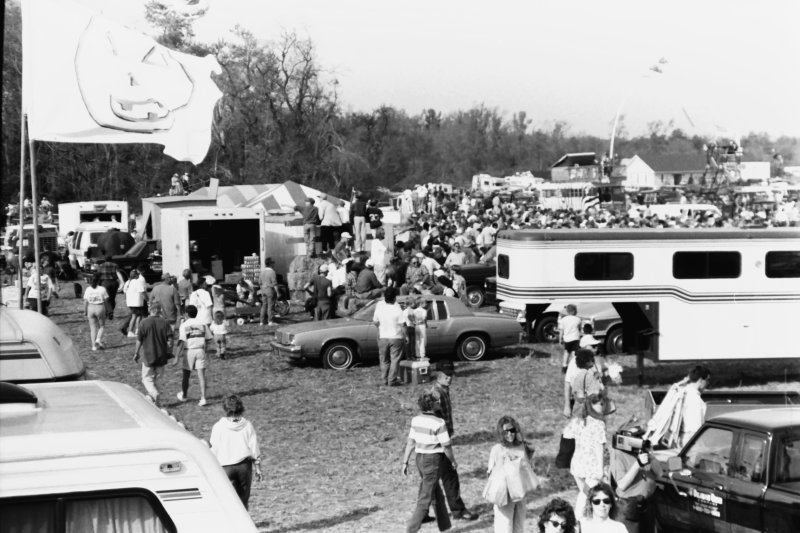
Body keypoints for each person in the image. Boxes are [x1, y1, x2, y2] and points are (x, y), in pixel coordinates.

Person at [431, 361, 479, 521]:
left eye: (451, 375)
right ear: (438, 376)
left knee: (432, 478)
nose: (450, 378)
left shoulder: (443, 390)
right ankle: (458, 510)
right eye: (446, 376)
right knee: (449, 476)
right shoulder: (436, 394)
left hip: (437, 441)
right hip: (438, 441)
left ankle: (423, 512)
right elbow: (435, 421)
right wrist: (445, 444)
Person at [401, 391, 455, 533]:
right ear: (432, 405)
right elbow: (446, 446)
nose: (439, 403)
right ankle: (411, 530)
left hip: (420, 459)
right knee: (425, 497)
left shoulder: (416, 420)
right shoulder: (439, 422)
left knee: (436, 492)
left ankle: (445, 526)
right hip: (433, 460)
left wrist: (405, 462)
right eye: (437, 402)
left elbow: (411, 442)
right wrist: (453, 461)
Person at [564, 349, 606, 518]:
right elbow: (597, 395)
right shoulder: (591, 375)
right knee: (588, 493)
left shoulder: (576, 376)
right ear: (589, 361)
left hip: (579, 416)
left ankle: (584, 516)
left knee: (585, 491)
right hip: (590, 416)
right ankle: (580, 518)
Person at [209, 394, 263, 509]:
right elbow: (254, 448)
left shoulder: (218, 427)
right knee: (244, 498)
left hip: (226, 467)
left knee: (230, 499)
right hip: (244, 466)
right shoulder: (247, 425)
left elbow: (214, 449)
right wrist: (258, 469)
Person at [488, 416, 535, 533]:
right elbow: (490, 475)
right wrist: (502, 461)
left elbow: (529, 465)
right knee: (504, 527)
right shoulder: (497, 449)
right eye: (506, 431)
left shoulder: (521, 447)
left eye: (512, 430)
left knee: (519, 526)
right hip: (505, 495)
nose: (510, 434)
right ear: (501, 433)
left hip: (520, 493)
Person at [133, 301, 175, 405]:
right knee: (156, 378)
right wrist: (169, 351)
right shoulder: (165, 323)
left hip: (148, 356)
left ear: (150, 310)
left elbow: (139, 340)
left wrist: (136, 353)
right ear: (159, 310)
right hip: (161, 355)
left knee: (146, 378)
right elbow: (170, 340)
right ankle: (155, 401)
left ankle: (154, 393)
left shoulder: (143, 322)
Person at [610, 441, 656, 533]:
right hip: (630, 506)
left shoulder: (642, 450)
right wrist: (637, 464)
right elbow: (622, 485)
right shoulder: (618, 453)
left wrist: (652, 458)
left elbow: (660, 473)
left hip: (647, 504)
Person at [176, 304, 212, 406]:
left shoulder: (184, 325)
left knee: (186, 375)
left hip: (189, 351)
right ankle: (203, 398)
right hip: (200, 350)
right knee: (201, 376)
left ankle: (184, 395)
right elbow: (209, 338)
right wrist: (206, 350)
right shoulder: (202, 324)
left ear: (186, 314)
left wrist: (176, 356)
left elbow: (181, 341)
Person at [372, 286, 406, 386]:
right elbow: (402, 325)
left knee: (384, 360)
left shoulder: (379, 306)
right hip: (396, 337)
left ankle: (384, 379)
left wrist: (380, 328)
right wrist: (406, 336)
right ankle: (392, 380)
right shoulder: (398, 309)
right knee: (394, 360)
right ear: (395, 297)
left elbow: (375, 321)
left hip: (383, 336)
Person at [680, 365, 711, 446]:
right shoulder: (695, 400)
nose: (708, 383)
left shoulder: (684, 391)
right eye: (707, 380)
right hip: (690, 441)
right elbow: (696, 430)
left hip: (682, 438)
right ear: (701, 380)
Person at [83, 272, 109, 351]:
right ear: (98, 281)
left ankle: (93, 346)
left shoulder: (88, 289)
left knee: (92, 328)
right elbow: (106, 300)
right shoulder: (102, 289)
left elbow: (85, 301)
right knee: (102, 326)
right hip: (99, 307)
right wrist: (107, 310)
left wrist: (85, 311)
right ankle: (98, 339)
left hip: (90, 308)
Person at [98, 254, 125, 320]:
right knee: (112, 298)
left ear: (104, 259)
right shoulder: (115, 265)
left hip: (105, 283)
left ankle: (109, 312)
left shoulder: (101, 266)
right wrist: (122, 282)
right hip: (114, 283)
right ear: (111, 259)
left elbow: (98, 274)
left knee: (107, 298)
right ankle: (110, 311)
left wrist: (97, 283)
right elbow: (118, 273)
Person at [123, 269, 147, 337]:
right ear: (136, 275)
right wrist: (147, 299)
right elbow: (142, 292)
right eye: (138, 275)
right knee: (136, 316)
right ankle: (131, 331)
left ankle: (137, 330)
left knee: (138, 316)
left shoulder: (128, 282)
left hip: (130, 302)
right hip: (136, 302)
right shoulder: (137, 282)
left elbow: (124, 291)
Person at [558, 304, 582, 373]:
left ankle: (564, 367)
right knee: (574, 353)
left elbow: (561, 331)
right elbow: (579, 329)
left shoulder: (563, 320)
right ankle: (574, 367)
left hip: (567, 339)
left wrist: (560, 339)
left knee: (566, 352)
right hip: (575, 338)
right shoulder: (578, 319)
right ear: (574, 311)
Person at [259, 257, 278, 326]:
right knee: (270, 306)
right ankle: (270, 321)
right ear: (270, 263)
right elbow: (275, 284)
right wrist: (278, 293)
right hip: (270, 290)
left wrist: (262, 289)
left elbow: (260, 282)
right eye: (273, 263)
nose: (274, 264)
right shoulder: (272, 272)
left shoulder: (262, 271)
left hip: (263, 290)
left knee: (264, 305)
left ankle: (261, 321)